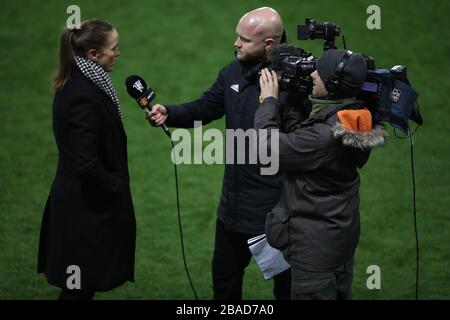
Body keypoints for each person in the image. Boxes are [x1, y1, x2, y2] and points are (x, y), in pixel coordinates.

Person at [148, 7, 304, 300]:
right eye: (237, 36)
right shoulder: (232, 72)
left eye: (244, 39)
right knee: (224, 284)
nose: (236, 43)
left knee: (288, 290)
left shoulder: (294, 88)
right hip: (232, 209)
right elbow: (206, 106)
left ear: (269, 45)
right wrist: (169, 112)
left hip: (276, 212)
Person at [255, 49, 387, 299]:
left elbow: (267, 148)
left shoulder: (324, 137)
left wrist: (269, 101)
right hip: (339, 238)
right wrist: (297, 99)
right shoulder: (357, 115)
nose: (312, 73)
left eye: (319, 72)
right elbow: (304, 134)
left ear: (334, 85)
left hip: (314, 251)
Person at [37, 19, 136, 300]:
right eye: (113, 48)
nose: (117, 53)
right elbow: (85, 163)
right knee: (77, 291)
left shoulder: (80, 81)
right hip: (85, 211)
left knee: (80, 288)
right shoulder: (84, 96)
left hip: (81, 206)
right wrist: (115, 186)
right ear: (93, 55)